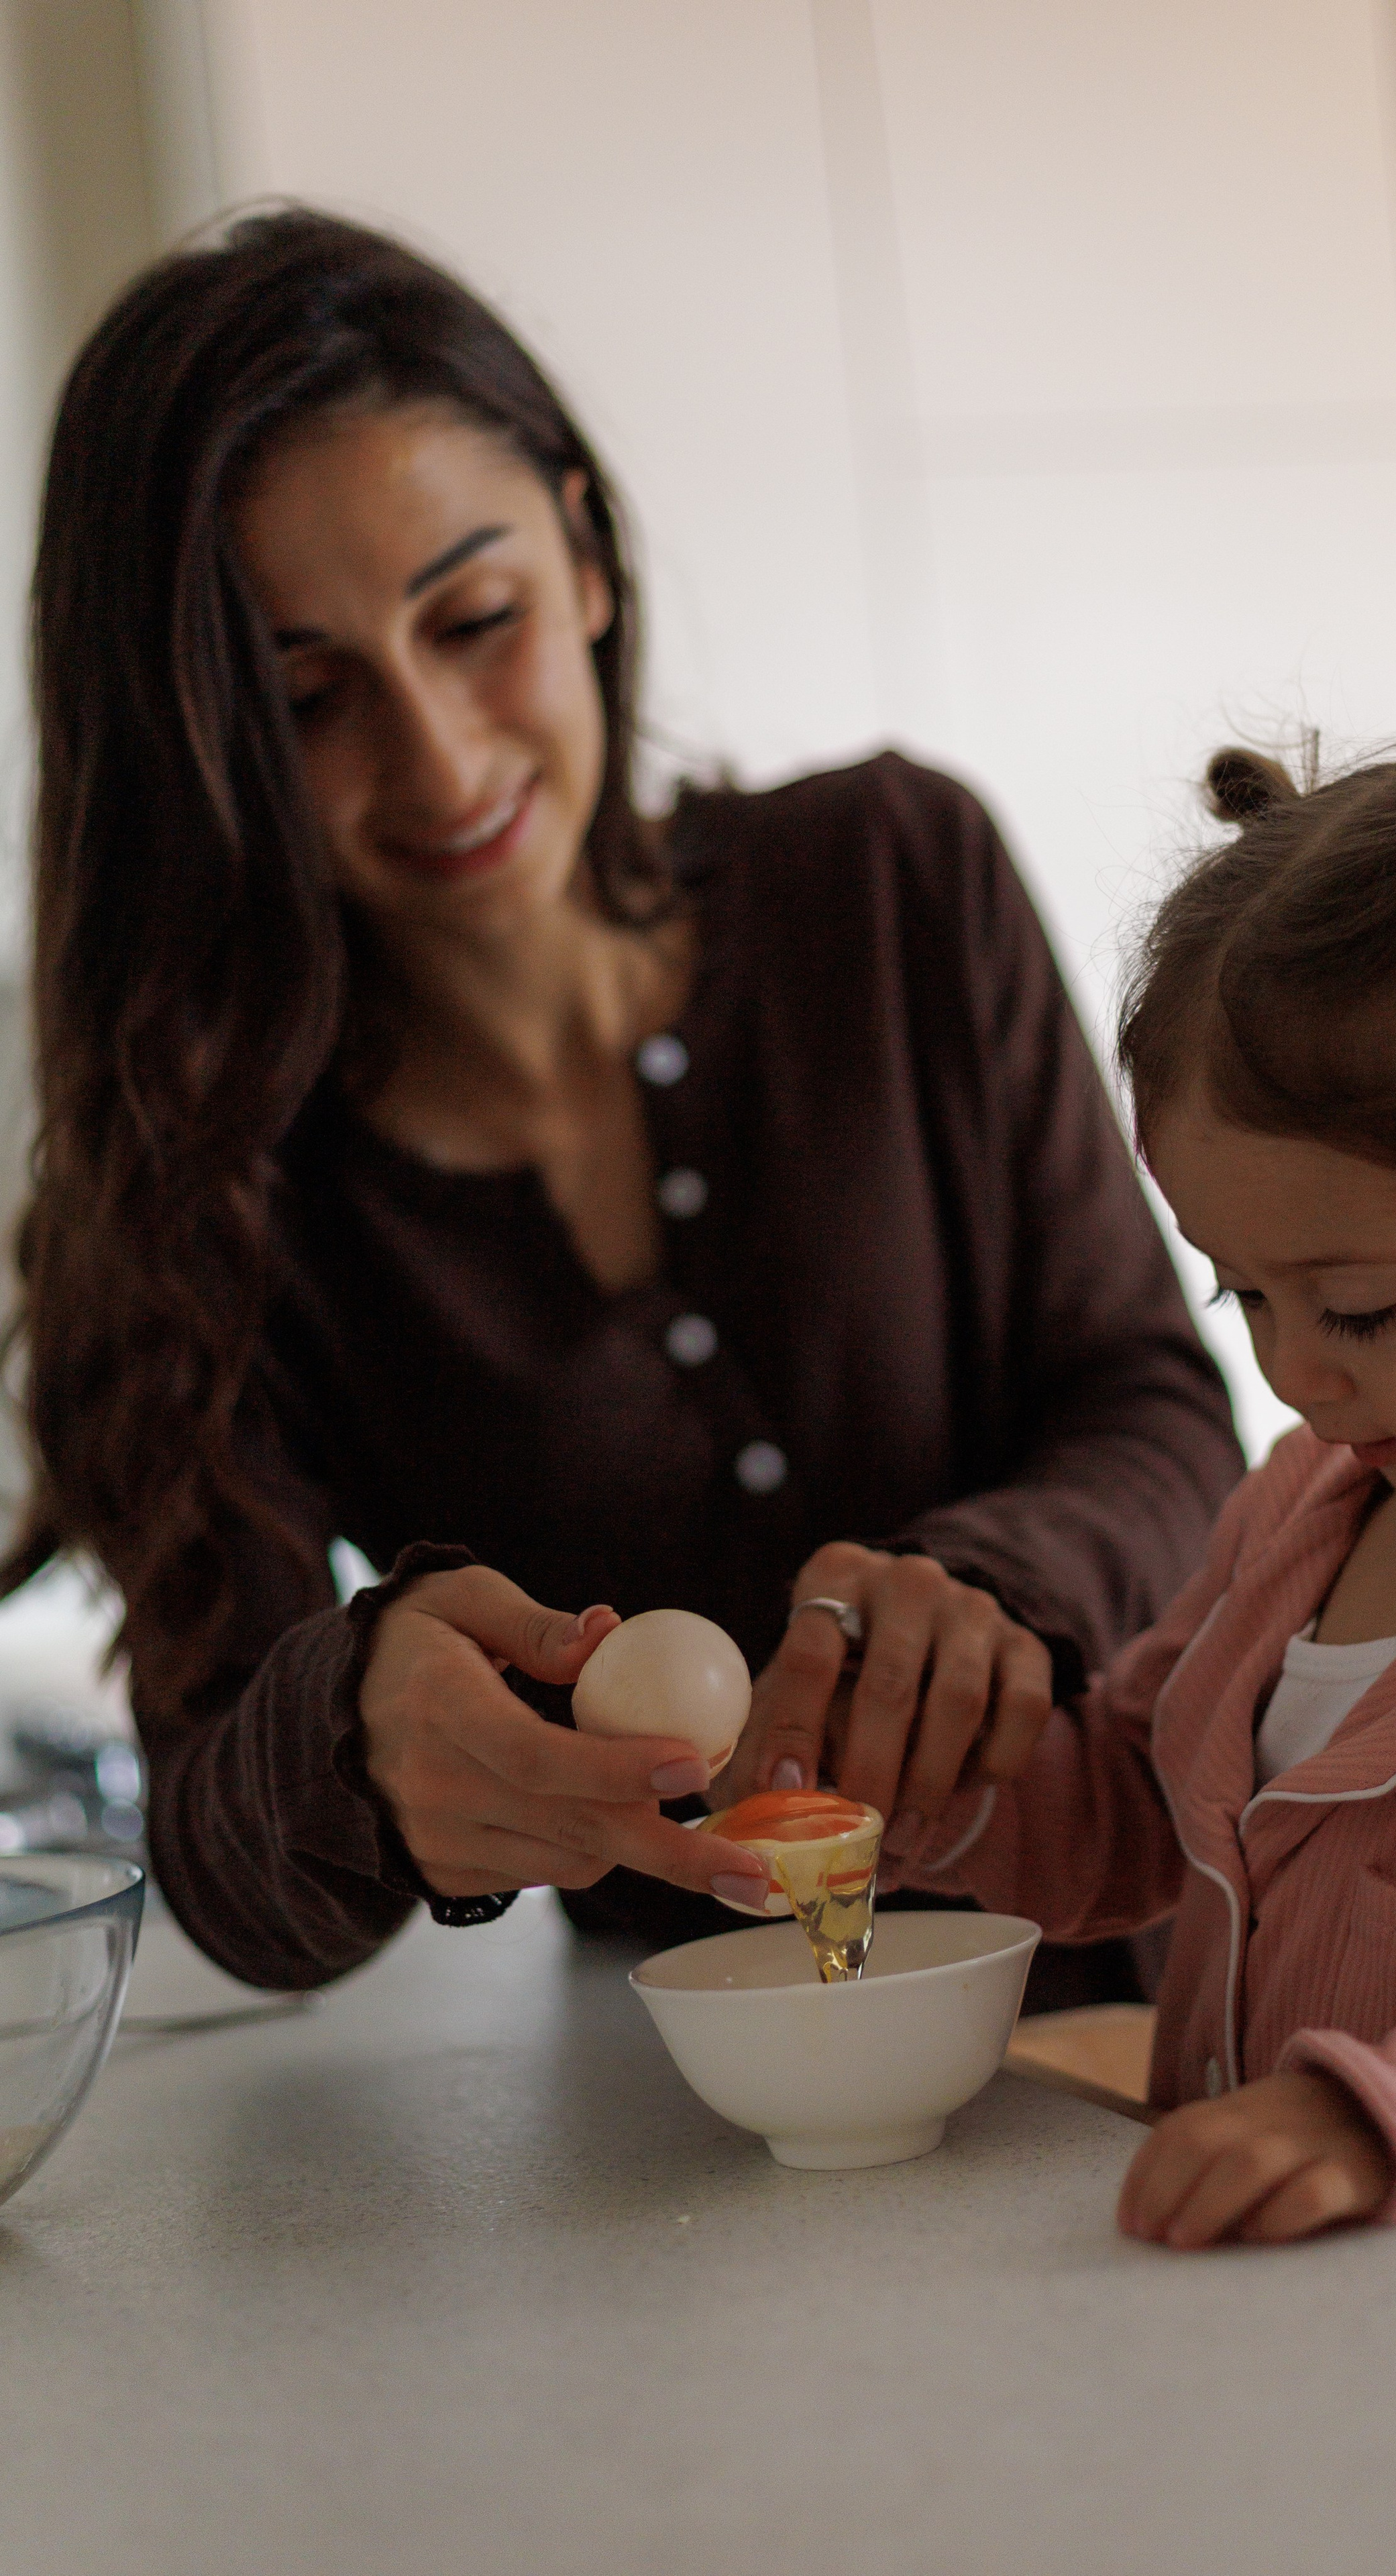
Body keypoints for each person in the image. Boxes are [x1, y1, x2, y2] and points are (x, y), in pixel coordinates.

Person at [6, 208, 1240, 1990]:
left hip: (1159, 1998)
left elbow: (1161, 1418)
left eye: (477, 619)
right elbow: (229, 1865)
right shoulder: (224, 1183)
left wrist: (987, 1589)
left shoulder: (896, 877)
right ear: (200, 750)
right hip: (690, 2111)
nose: (439, 759)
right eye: (308, 698)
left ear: (584, 559)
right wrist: (357, 1739)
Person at [891, 720, 1396, 2253]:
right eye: (1242, 1299)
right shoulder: (1304, 1509)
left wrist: (1391, 2118)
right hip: (1286, 2355)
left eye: (1356, 1309)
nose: (1292, 1376)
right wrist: (918, 1784)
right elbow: (1131, 1811)